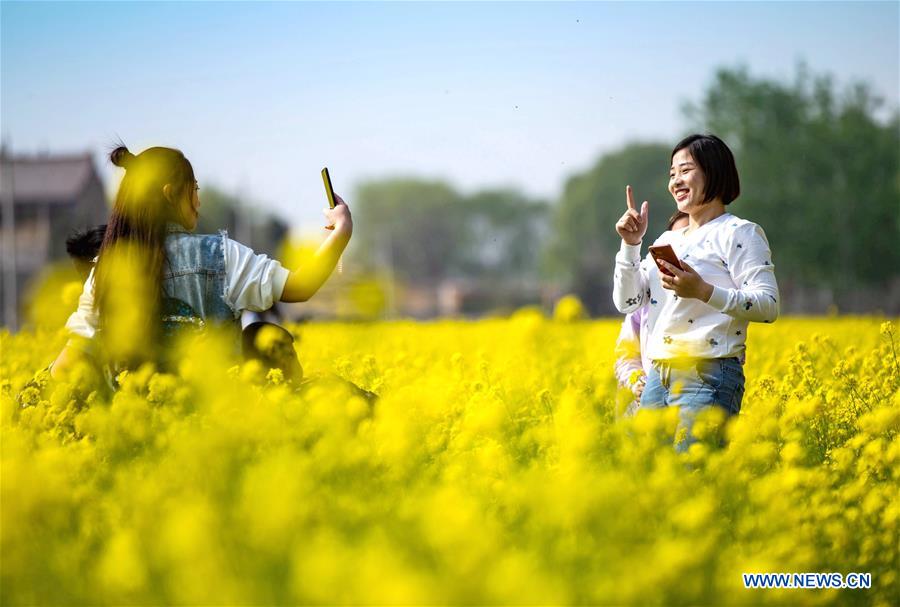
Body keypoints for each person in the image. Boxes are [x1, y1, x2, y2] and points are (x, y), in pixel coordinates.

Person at [51, 145, 352, 381]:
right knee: (264, 337)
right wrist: (341, 231)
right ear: (171, 194)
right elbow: (299, 287)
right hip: (217, 425)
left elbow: (66, 367)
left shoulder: (106, 272)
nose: (198, 200)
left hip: (141, 430)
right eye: (194, 189)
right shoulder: (220, 255)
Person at [612, 134, 779, 450]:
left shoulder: (739, 232)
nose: (675, 180)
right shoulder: (666, 241)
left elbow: (768, 305)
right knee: (651, 482)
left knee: (694, 479)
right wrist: (630, 246)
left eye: (685, 170)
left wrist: (704, 292)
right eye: (672, 173)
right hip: (657, 377)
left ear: (714, 172)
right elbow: (628, 302)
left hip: (709, 374)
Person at [613, 211, 689, 416]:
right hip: (648, 406)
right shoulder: (646, 298)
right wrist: (636, 381)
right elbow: (625, 355)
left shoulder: (708, 297)